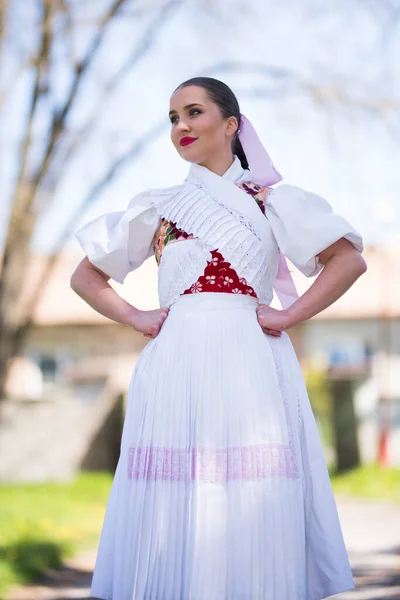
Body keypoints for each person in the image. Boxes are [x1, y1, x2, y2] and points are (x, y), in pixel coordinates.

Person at [71, 76, 367, 600]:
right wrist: (138, 317)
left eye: (193, 112)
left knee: (249, 489)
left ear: (231, 125)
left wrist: (290, 314)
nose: (180, 126)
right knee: (176, 494)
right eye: (172, 118)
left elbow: (347, 260)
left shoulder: (273, 201)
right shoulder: (159, 207)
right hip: (175, 361)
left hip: (249, 358)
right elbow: (86, 276)